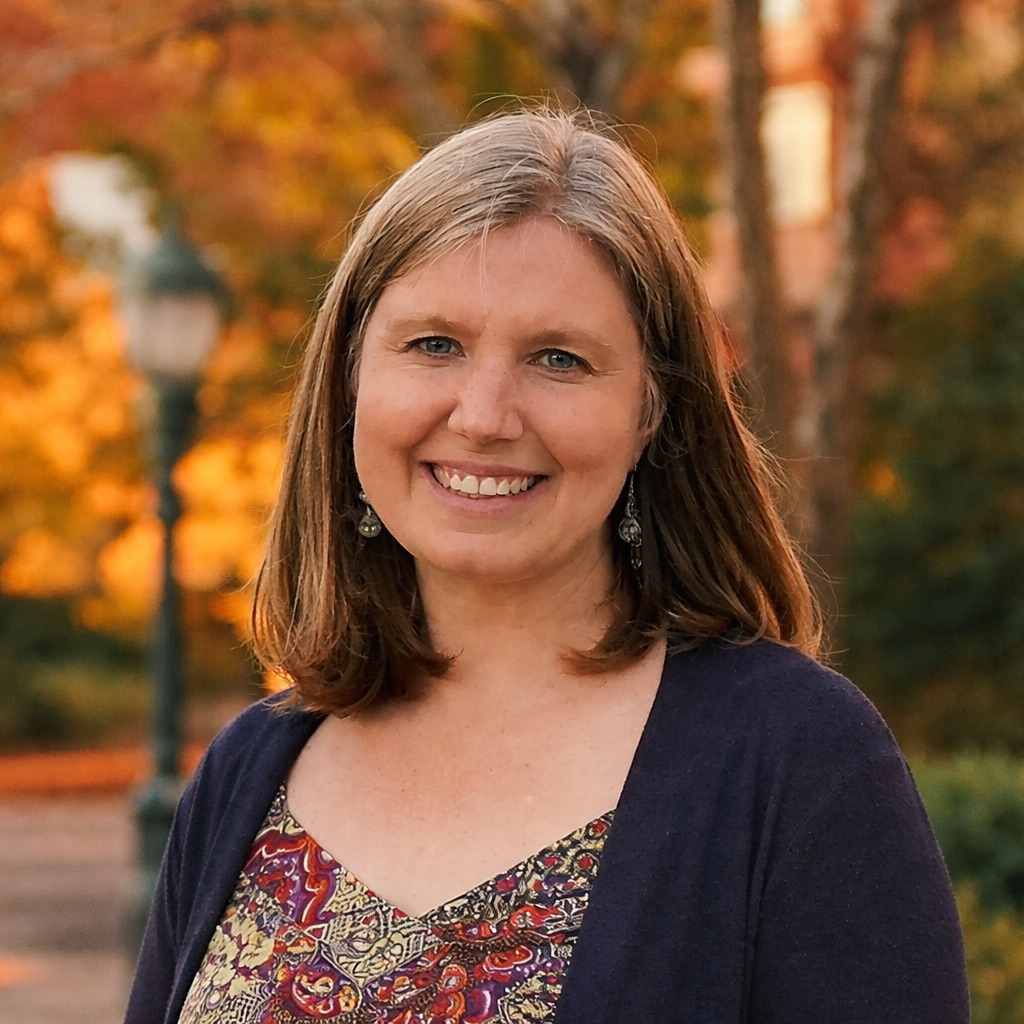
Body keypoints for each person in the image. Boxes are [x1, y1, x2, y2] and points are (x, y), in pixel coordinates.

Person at [125, 107, 968, 1024]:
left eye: (559, 359)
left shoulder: (796, 763)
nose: (485, 414)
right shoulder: (251, 770)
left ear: (653, 413)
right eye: (434, 344)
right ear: (350, 380)